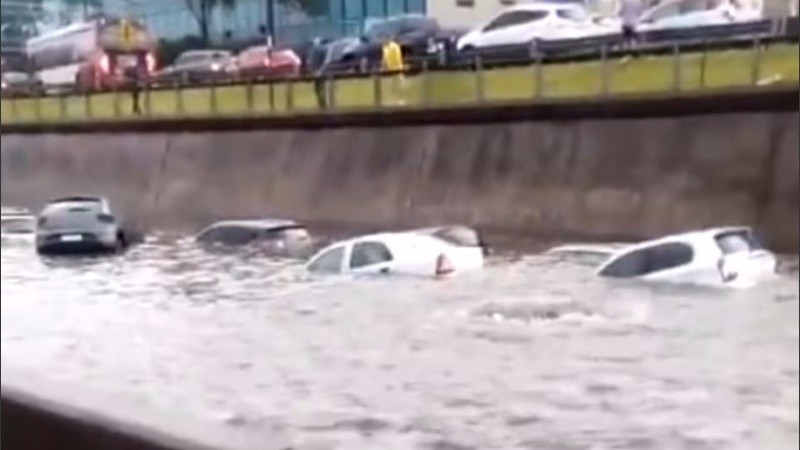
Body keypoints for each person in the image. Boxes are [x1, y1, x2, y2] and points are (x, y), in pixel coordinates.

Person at [381, 37, 405, 105]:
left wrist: (395, 67)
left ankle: (400, 100)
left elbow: (398, 57)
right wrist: (384, 66)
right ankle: (393, 100)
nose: (383, 41)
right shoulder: (384, 48)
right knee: (391, 86)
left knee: (398, 85)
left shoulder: (394, 46)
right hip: (389, 70)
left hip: (397, 69)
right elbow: (384, 59)